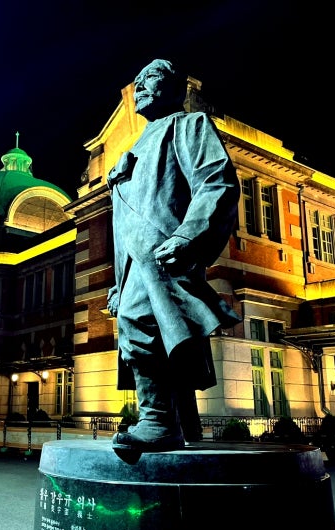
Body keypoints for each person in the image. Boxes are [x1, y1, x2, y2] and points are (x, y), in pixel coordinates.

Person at [106, 59, 241, 452]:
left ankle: (159, 422)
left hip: (166, 252)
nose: (140, 87)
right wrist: (117, 282)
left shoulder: (190, 125)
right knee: (159, 333)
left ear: (175, 89)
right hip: (135, 261)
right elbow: (121, 226)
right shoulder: (131, 150)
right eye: (137, 81)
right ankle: (182, 420)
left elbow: (216, 182)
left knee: (144, 324)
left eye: (150, 78)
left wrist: (189, 234)